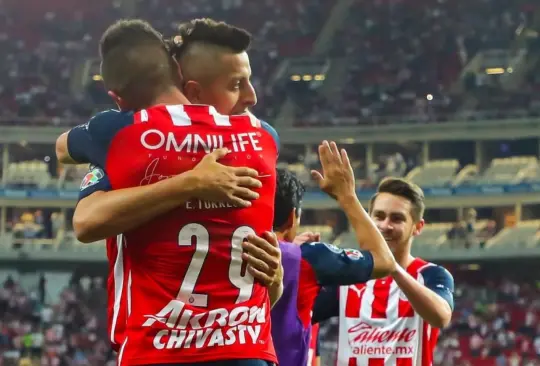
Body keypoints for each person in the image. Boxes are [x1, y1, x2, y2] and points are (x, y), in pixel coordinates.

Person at [55, 19, 285, 358]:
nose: (251, 97)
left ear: (117, 98)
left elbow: (66, 161)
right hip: (248, 348)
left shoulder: (123, 135)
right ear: (185, 82)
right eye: (237, 84)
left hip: (158, 349)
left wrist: (185, 182)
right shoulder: (264, 138)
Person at [266, 142, 396, 366]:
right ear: (292, 217)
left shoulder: (221, 245)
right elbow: (384, 260)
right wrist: (347, 196)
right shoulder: (307, 259)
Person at [313, 177, 455, 365]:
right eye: (379, 216)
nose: (385, 226)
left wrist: (393, 268)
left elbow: (441, 317)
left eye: (397, 219)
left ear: (418, 227)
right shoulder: (349, 277)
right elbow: (300, 311)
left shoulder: (431, 274)